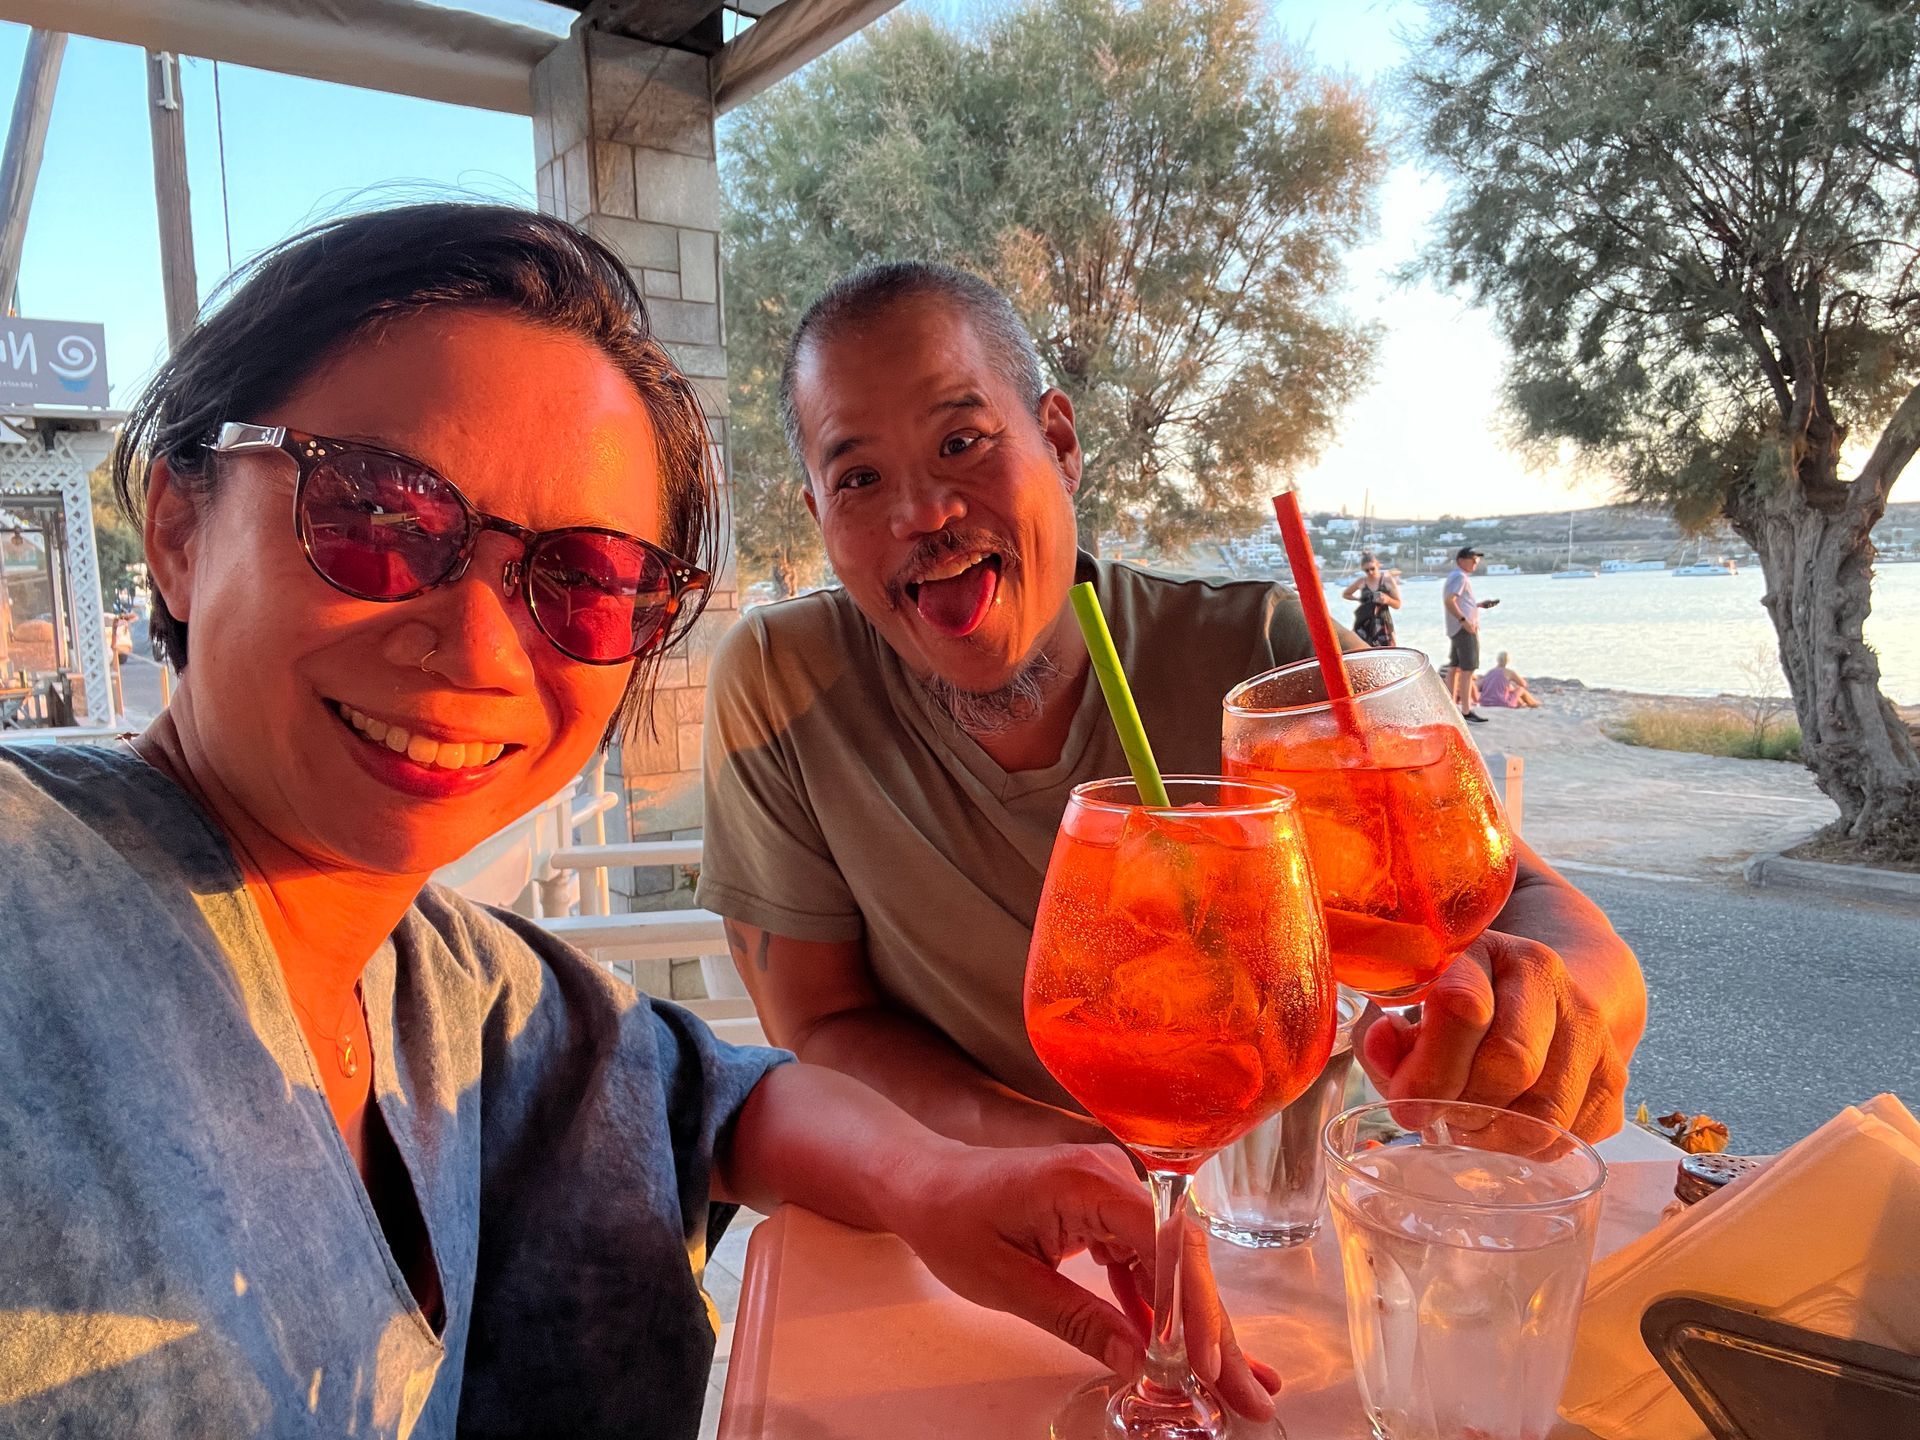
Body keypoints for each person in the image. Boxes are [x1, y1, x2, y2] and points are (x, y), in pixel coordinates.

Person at [0, 208, 1275, 1436]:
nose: (483, 645)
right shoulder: (32, 886)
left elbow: (721, 1100)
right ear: (176, 530)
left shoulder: (456, 995)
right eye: (379, 518)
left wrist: (938, 1181)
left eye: (590, 582)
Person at [699, 261, 1644, 1160]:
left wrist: (1556, 1023)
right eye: (858, 478)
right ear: (819, 512)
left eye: (963, 442)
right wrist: (1081, 1167)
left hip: (1286, 1208)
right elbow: (822, 1026)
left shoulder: (1267, 667)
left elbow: (1528, 907)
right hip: (969, 1221)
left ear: (1060, 444)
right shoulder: (783, 683)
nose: (922, 512)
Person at [1442, 545, 1498, 722]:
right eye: (1472, 559)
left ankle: (1452, 707)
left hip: (1458, 629)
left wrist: (1477, 606)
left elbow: (1457, 601)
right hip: (1464, 630)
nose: (1476, 562)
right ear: (1461, 561)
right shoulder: (1460, 577)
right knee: (1468, 669)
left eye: (1477, 560)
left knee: (1455, 668)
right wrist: (1464, 621)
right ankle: (1465, 710)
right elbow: (1449, 601)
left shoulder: (1456, 577)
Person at [1341, 552, 1401, 646]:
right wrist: (1358, 599)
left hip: (1382, 624)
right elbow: (1346, 594)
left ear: (1378, 565)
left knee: (1387, 654)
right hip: (1363, 623)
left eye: (1372, 569)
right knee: (1361, 652)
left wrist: (1387, 600)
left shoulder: (1387, 581)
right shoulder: (1362, 581)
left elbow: (1398, 604)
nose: (1370, 572)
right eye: (1367, 570)